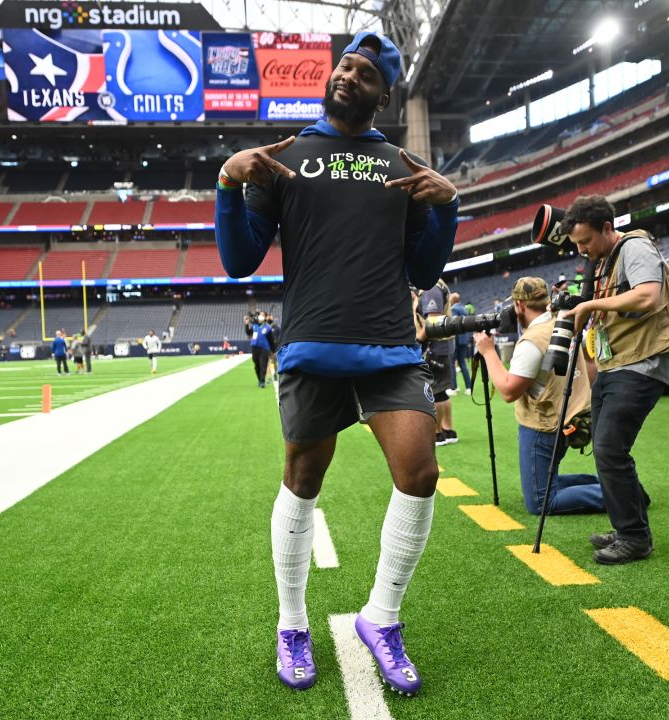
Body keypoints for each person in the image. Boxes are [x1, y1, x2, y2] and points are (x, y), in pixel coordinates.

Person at [214, 30, 458, 695]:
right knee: (302, 477)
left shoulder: (401, 164)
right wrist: (228, 185)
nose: (349, 75)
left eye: (365, 72)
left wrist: (447, 205)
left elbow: (425, 267)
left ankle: (382, 618)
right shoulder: (285, 155)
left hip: (387, 344)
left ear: (382, 94)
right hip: (312, 345)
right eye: (343, 66)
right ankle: (291, 624)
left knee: (421, 470)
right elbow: (238, 259)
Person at [564, 194, 669, 565]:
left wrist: (590, 305)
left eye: (586, 241)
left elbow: (648, 296)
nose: (582, 250)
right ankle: (626, 526)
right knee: (607, 453)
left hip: (641, 365)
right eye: (577, 244)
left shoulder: (634, 247)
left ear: (606, 228)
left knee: (610, 450)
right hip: (615, 364)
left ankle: (635, 538)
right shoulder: (603, 261)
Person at [473, 277, 608, 515]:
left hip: (543, 426)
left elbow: (508, 391)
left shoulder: (531, 341)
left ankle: (616, 492)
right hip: (572, 418)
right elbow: (590, 370)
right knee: (545, 483)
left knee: (540, 501)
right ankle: (612, 483)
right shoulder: (564, 323)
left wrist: (487, 351)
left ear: (519, 305)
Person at [418, 278, 457, 445]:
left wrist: (419, 340)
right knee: (442, 391)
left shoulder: (430, 287)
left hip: (435, 346)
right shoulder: (438, 284)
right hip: (443, 344)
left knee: (434, 391)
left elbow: (433, 320)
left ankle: (437, 432)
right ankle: (448, 430)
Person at [448, 292, 473, 395]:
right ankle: (469, 388)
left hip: (457, 339)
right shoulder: (464, 309)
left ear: (453, 300)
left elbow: (453, 325)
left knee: (452, 363)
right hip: (464, 339)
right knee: (462, 363)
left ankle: (454, 388)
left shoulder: (453, 309)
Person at [246, 311, 274, 388]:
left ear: (265, 317)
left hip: (264, 348)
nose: (260, 316)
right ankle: (259, 380)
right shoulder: (254, 326)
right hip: (254, 347)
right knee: (256, 365)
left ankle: (262, 381)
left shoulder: (268, 327)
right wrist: (246, 324)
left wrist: (273, 350)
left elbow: (271, 340)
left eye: (262, 315)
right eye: (260, 315)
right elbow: (248, 333)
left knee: (263, 365)